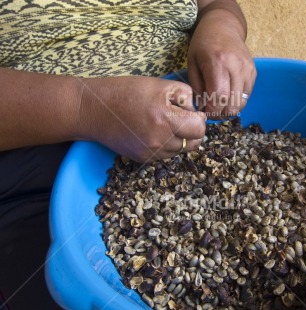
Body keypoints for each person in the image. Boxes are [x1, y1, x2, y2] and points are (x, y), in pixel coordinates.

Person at [0, 0, 256, 308]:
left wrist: (221, 23)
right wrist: (89, 106)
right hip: (46, 157)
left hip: (199, 120)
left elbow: (214, 3)